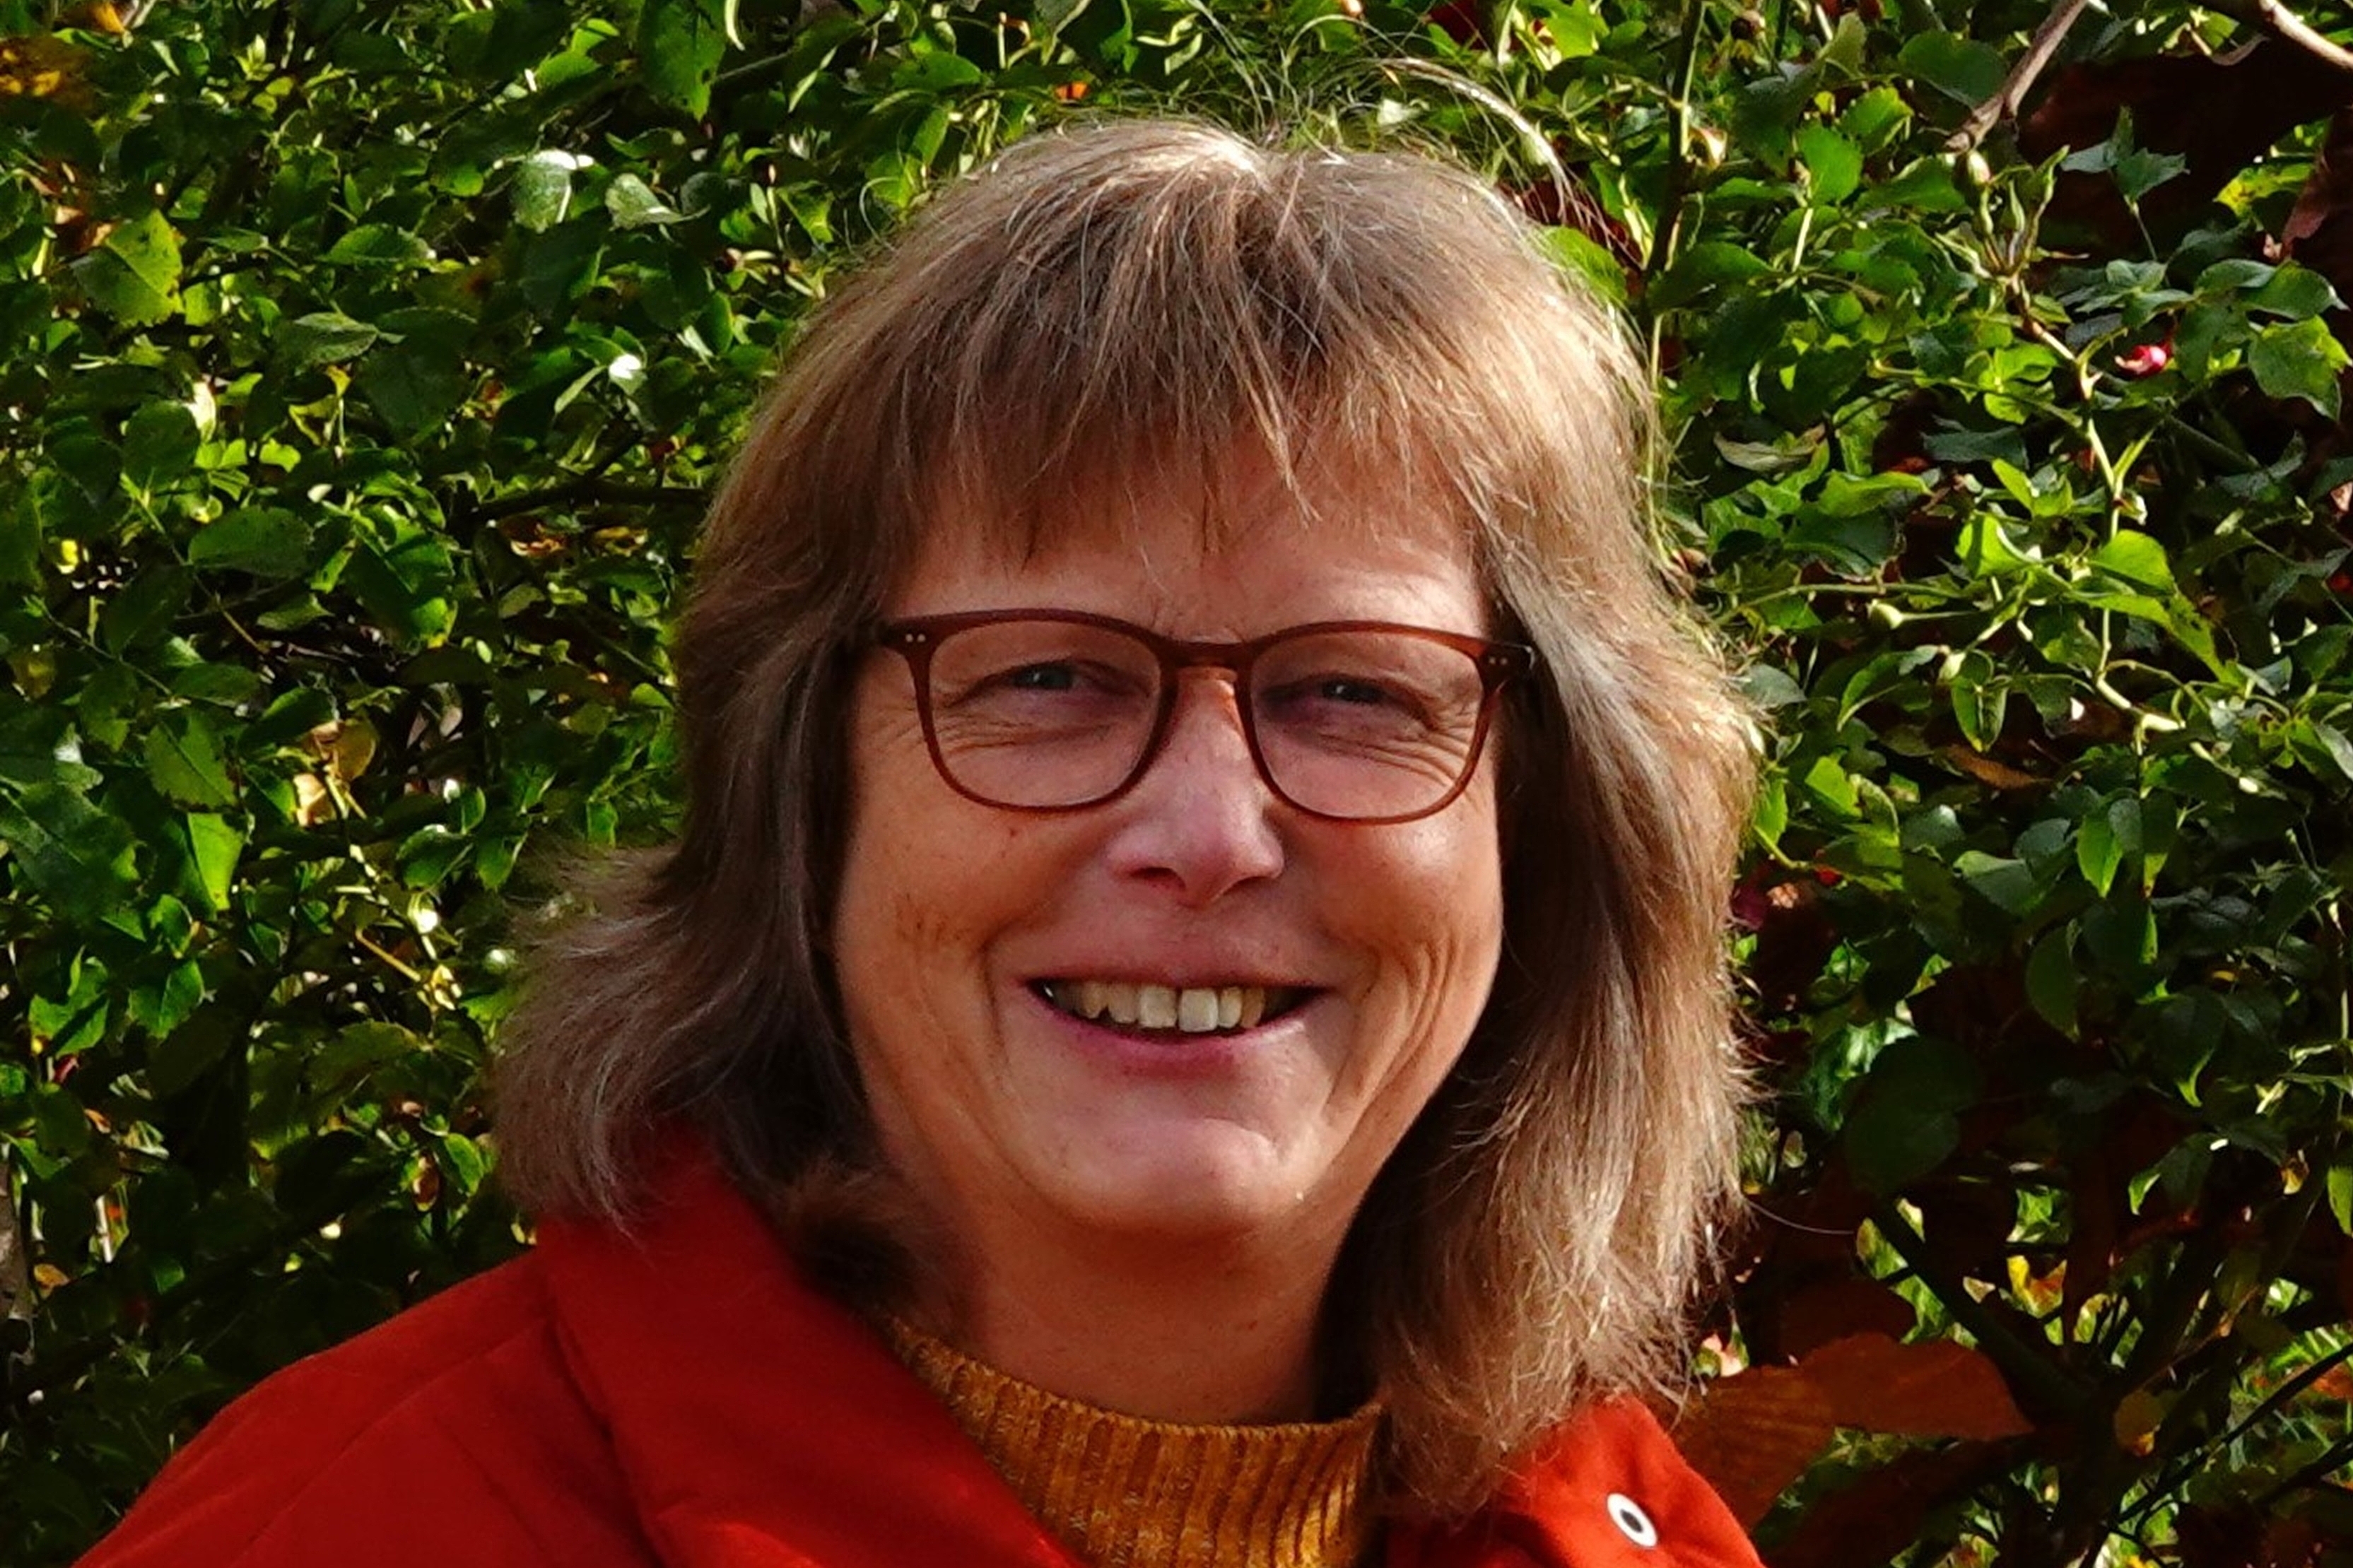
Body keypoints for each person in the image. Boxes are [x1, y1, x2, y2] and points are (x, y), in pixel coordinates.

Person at [81, 118, 1761, 1567]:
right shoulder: (345, 1523)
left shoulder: (1615, 1535)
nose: (1206, 834)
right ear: (803, 790)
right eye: (1047, 679)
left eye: (1352, 692)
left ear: (1547, 815)